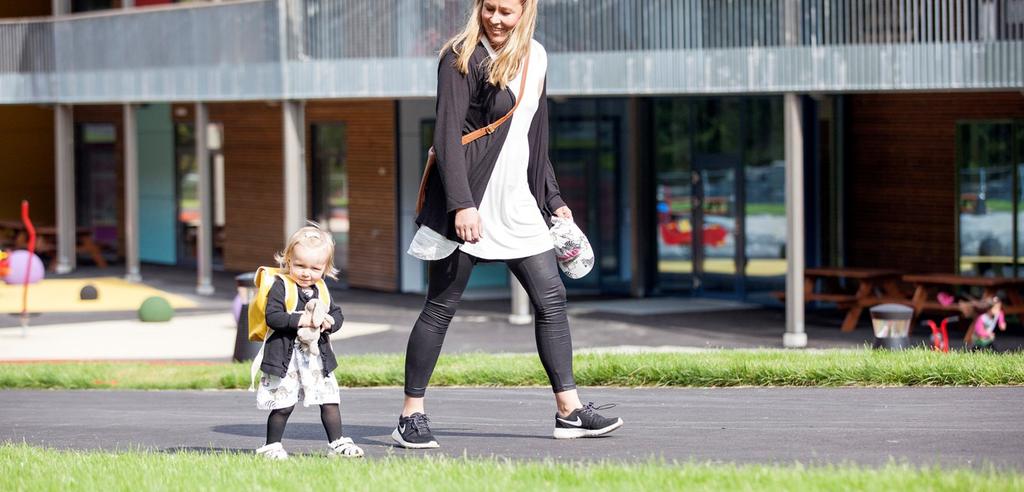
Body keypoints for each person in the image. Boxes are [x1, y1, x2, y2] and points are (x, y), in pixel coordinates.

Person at [394, 0, 622, 449]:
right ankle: (410, 415)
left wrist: (552, 198)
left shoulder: (536, 56)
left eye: (506, 11)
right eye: (489, 9)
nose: (496, 19)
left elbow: (533, 135)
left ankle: (569, 411)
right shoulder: (461, 56)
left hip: (518, 203)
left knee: (551, 300)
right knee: (440, 307)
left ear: (526, 11)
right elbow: (447, 135)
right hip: (471, 203)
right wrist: (461, 204)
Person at [254, 225, 364, 459]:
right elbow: (273, 317)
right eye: (300, 265)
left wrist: (329, 322)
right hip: (286, 358)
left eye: (315, 268)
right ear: (288, 261)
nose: (307, 273)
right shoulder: (281, 286)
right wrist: (301, 319)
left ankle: (337, 442)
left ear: (325, 267)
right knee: (283, 404)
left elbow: (338, 314)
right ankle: (271, 446)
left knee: (330, 400)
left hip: (316, 358)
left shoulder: (321, 289)